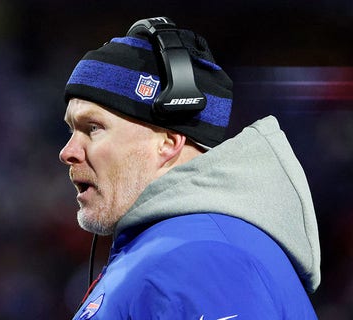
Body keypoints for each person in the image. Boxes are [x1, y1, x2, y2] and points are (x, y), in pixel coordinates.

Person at [59, 17, 320, 319]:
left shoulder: (202, 258)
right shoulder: (176, 248)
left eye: (93, 128)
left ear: (169, 142)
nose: (68, 152)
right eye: (70, 130)